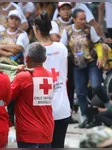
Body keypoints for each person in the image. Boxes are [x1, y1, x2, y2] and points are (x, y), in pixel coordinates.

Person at [60, 9, 112, 128]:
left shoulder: (89, 29)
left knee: (96, 85)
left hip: (92, 62)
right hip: (78, 64)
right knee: (80, 92)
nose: (83, 21)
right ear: (74, 19)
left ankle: (108, 104)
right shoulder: (67, 31)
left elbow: (98, 44)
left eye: (84, 18)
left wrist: (100, 57)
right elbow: (63, 47)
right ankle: (84, 117)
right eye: (81, 19)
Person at [33, 12, 71, 148]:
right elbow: (65, 75)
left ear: (36, 29)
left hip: (42, 111)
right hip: (62, 108)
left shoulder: (33, 50)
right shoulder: (62, 48)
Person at [11, 42, 54, 148]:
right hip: (47, 130)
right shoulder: (50, 76)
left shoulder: (23, 77)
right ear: (44, 59)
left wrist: (14, 75)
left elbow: (7, 96)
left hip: (28, 133)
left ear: (26, 58)